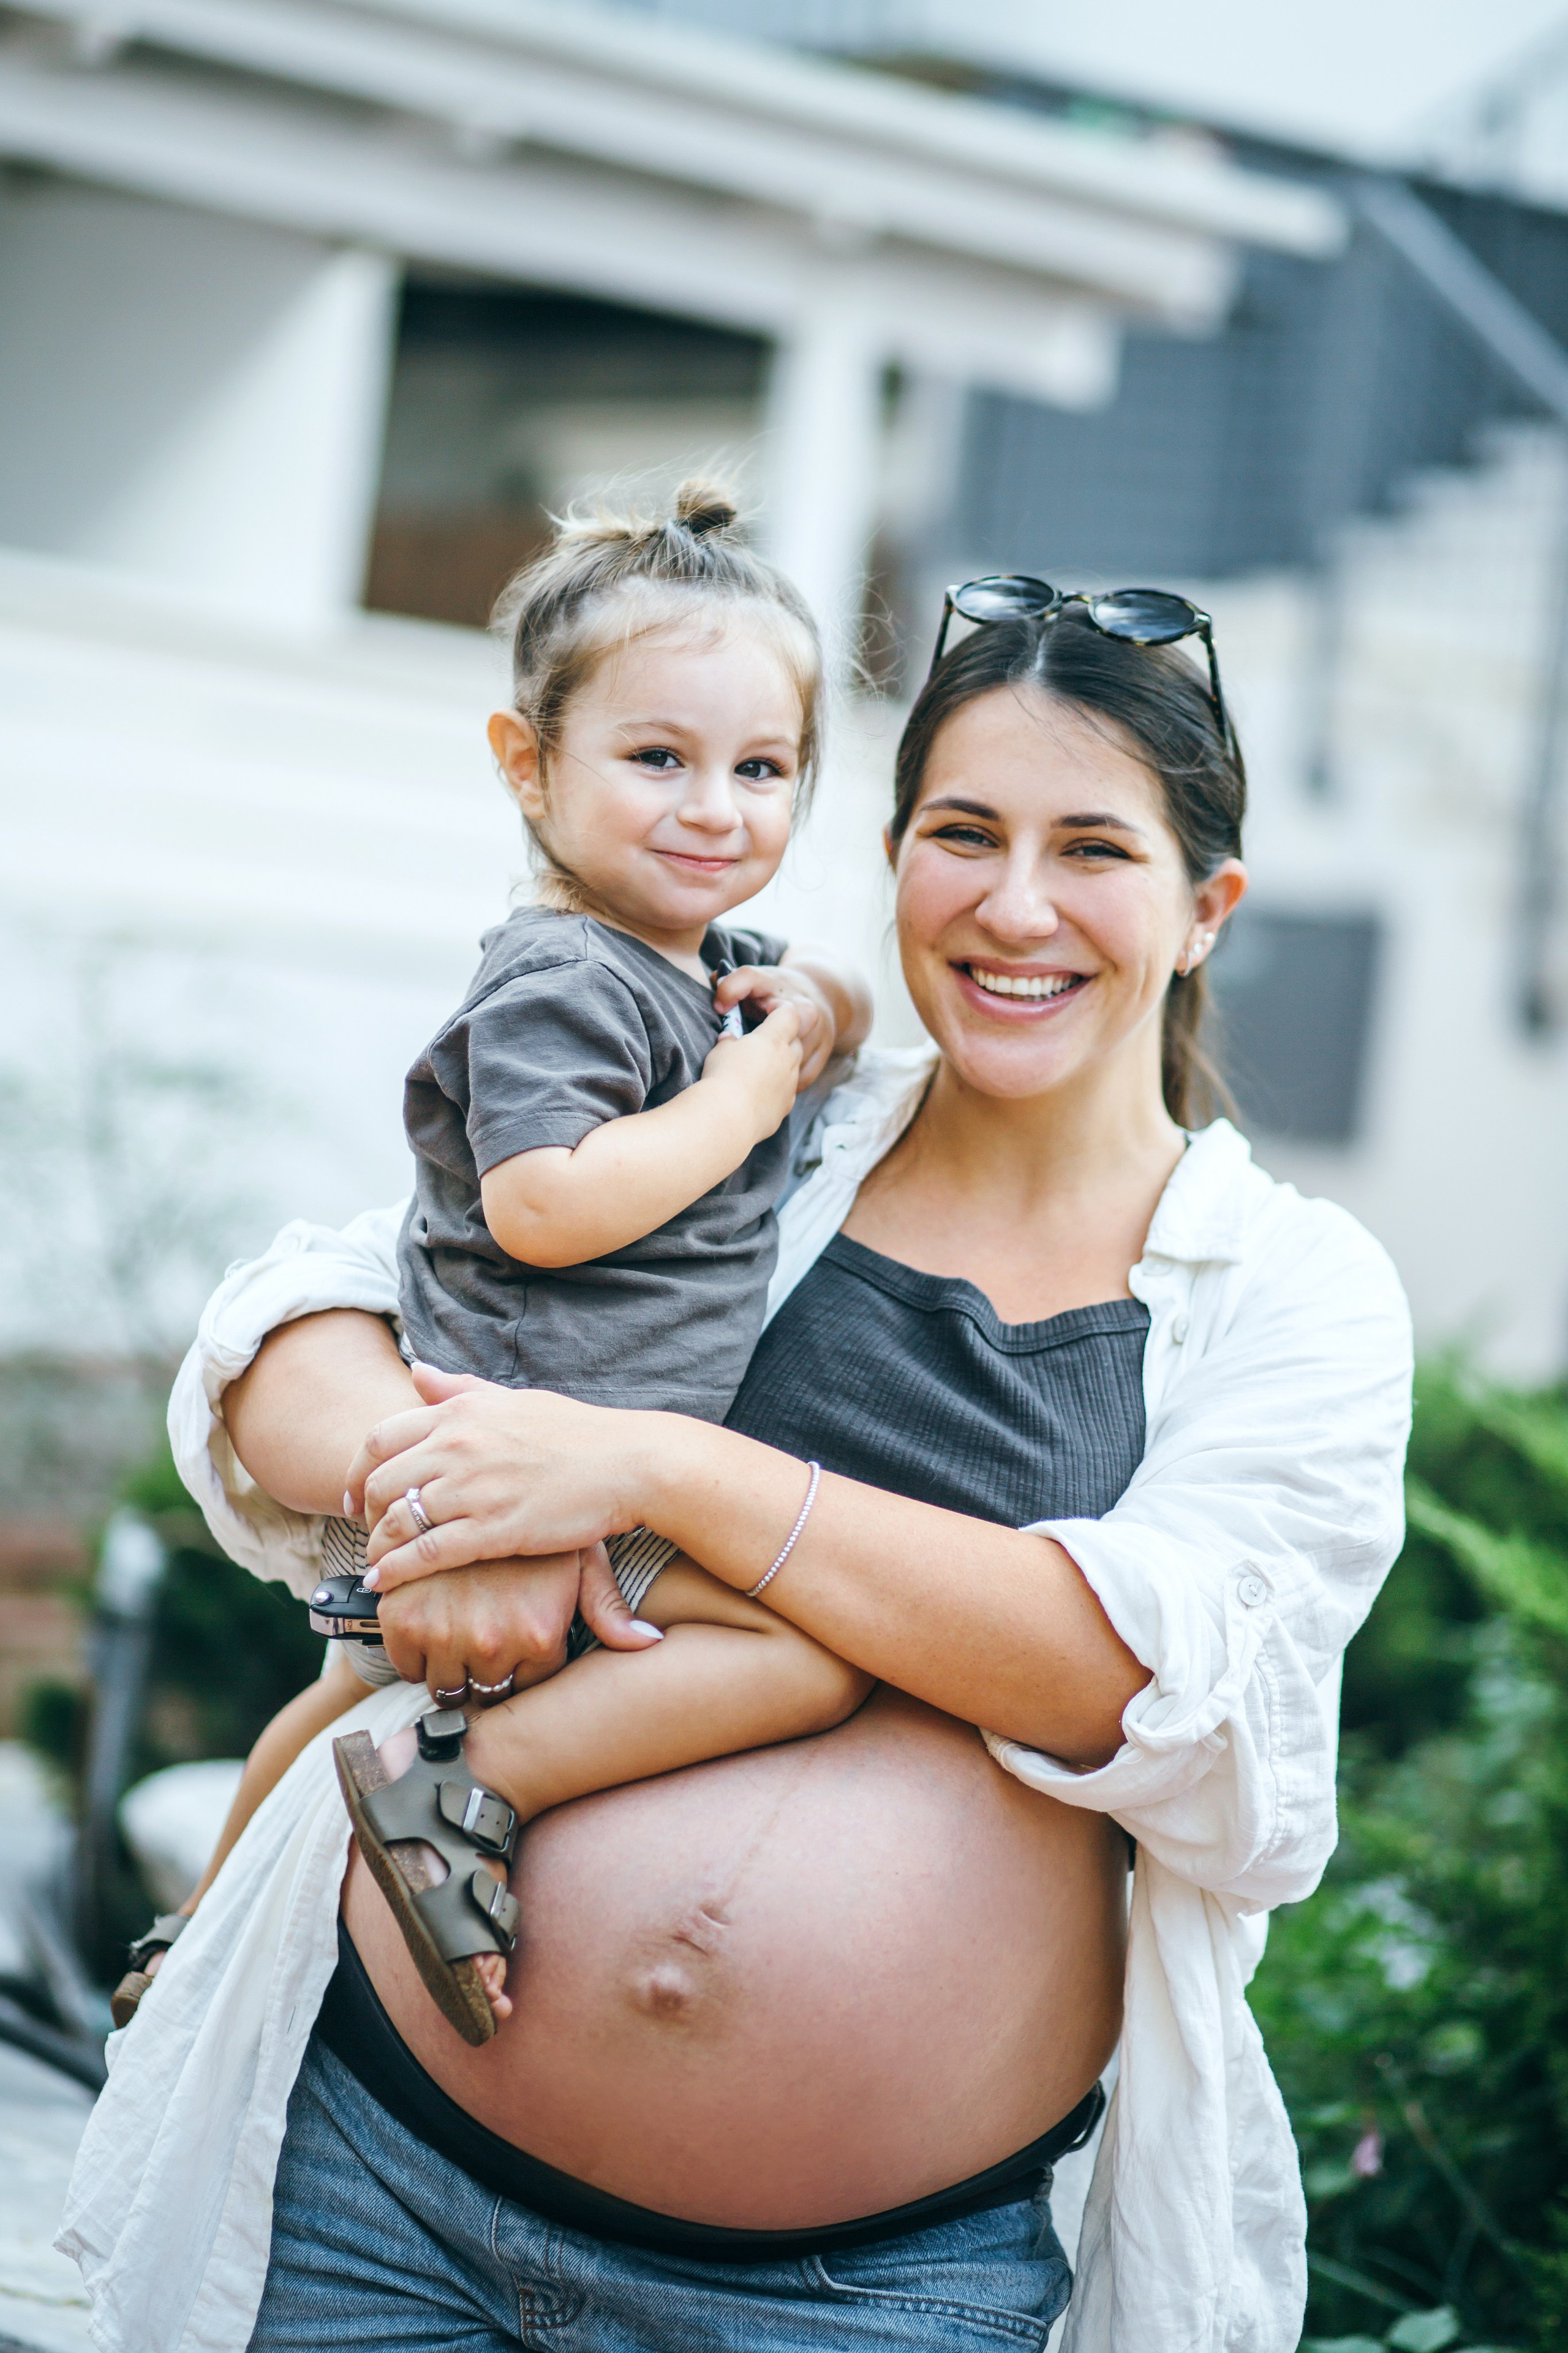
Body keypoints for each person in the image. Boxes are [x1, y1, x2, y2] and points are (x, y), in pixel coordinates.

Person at [63, 587, 1413, 2353]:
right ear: (891, 854)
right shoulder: (759, 1097)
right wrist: (461, 1486)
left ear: (1204, 908)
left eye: (1093, 848)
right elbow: (305, 1320)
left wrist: (651, 1475)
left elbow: (1143, 1677)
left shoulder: (1291, 1287)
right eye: (963, 835)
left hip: (864, 2296)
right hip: (369, 2181)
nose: (1016, 906)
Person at [110, 480, 875, 2045]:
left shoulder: (713, 964)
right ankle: (277, 1892)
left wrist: (819, 1015)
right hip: (507, 1446)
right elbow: (544, 1203)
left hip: (580, 1460)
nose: (714, 806)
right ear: (528, 766)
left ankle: (212, 1926)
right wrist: (747, 1093)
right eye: (657, 757)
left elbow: (829, 1003)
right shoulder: (558, 976)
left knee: (347, 1697)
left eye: (762, 768)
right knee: (796, 1653)